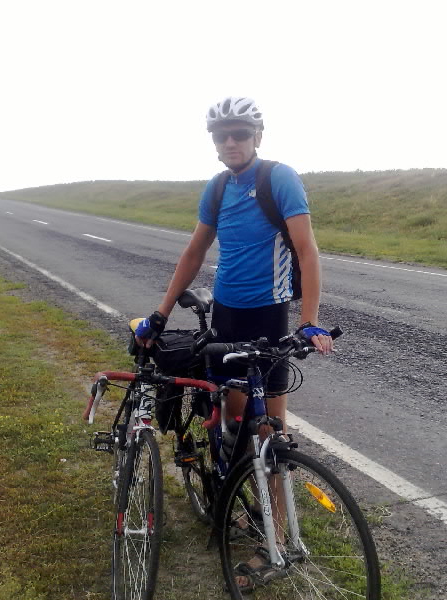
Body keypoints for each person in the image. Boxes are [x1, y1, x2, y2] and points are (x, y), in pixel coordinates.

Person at [136, 95, 333, 591]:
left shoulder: (278, 178)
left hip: (269, 316)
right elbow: (194, 251)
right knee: (230, 416)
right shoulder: (219, 186)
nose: (230, 142)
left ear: (257, 137)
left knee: (270, 434)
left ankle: (275, 539)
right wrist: (160, 314)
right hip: (225, 315)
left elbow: (307, 250)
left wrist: (309, 321)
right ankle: (229, 485)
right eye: (221, 135)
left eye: (240, 133)